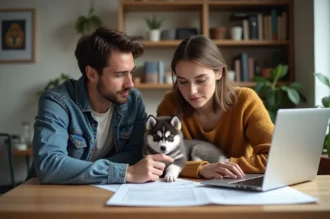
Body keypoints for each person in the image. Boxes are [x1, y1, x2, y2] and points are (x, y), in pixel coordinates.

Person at [28, 26, 173, 184]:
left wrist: (79, 170)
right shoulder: (57, 102)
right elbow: (49, 165)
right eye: (119, 74)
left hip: (104, 191)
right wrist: (125, 173)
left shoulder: (133, 100)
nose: (130, 84)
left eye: (131, 72)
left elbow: (136, 152)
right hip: (51, 195)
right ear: (92, 74)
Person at [157, 35, 274, 180]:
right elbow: (160, 159)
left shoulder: (246, 101)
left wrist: (224, 165)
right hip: (189, 188)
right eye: (183, 82)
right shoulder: (170, 104)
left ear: (219, 72)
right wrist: (201, 169)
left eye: (201, 80)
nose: (192, 91)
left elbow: (275, 158)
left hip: (239, 183)